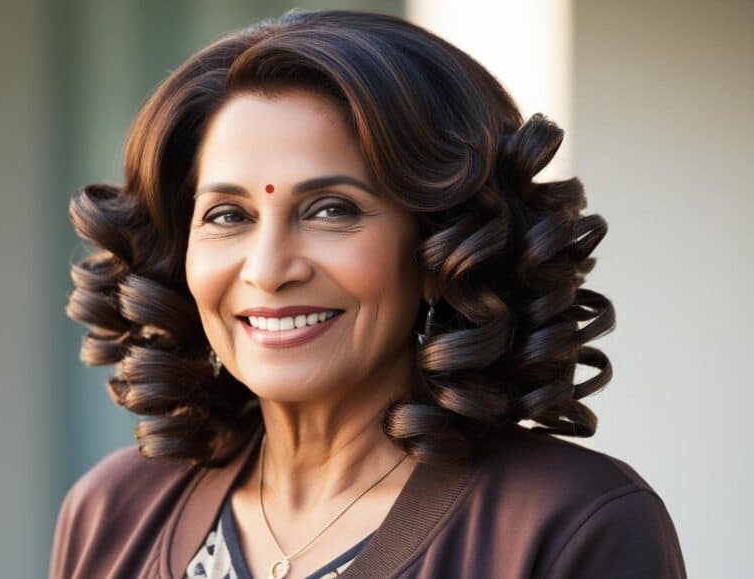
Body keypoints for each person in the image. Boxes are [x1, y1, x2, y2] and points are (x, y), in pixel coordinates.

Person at [49, 8, 686, 579]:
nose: (269, 270)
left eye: (331, 210)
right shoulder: (113, 512)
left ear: (444, 244)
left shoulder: (568, 524)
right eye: (227, 215)